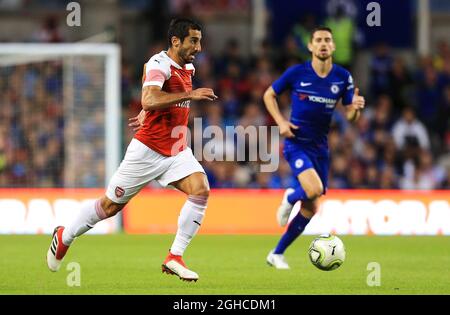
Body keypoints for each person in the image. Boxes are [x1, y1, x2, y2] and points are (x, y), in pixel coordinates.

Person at [46, 18, 218, 282]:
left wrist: (146, 111)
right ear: (176, 41)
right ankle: (64, 236)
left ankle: (175, 257)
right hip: (147, 151)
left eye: (199, 40)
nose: (199, 46)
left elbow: (153, 98)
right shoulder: (158, 63)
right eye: (194, 40)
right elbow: (149, 97)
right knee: (108, 207)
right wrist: (185, 97)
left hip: (176, 148)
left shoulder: (188, 68)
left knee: (201, 189)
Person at [263, 26, 365, 269]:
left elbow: (351, 116)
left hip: (321, 147)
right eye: (318, 40)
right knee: (314, 188)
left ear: (333, 46)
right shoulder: (298, 72)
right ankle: (290, 197)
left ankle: (276, 253)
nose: (323, 44)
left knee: (312, 206)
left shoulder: (342, 77)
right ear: (310, 46)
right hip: (297, 143)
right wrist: (281, 122)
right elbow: (269, 94)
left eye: (327, 40)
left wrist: (356, 108)